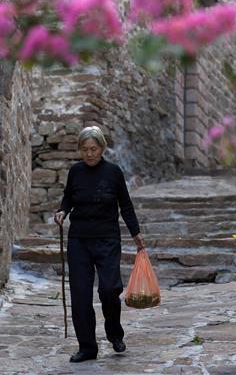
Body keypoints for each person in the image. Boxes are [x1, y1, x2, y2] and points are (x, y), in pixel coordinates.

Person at [54, 126, 146, 363]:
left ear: (102, 148)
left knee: (109, 289)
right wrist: (63, 211)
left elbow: (125, 205)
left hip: (107, 239)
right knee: (80, 295)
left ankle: (114, 333)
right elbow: (68, 197)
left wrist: (135, 232)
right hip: (79, 241)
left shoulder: (113, 172)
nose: (89, 154)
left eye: (93, 149)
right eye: (85, 149)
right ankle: (87, 347)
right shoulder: (75, 172)